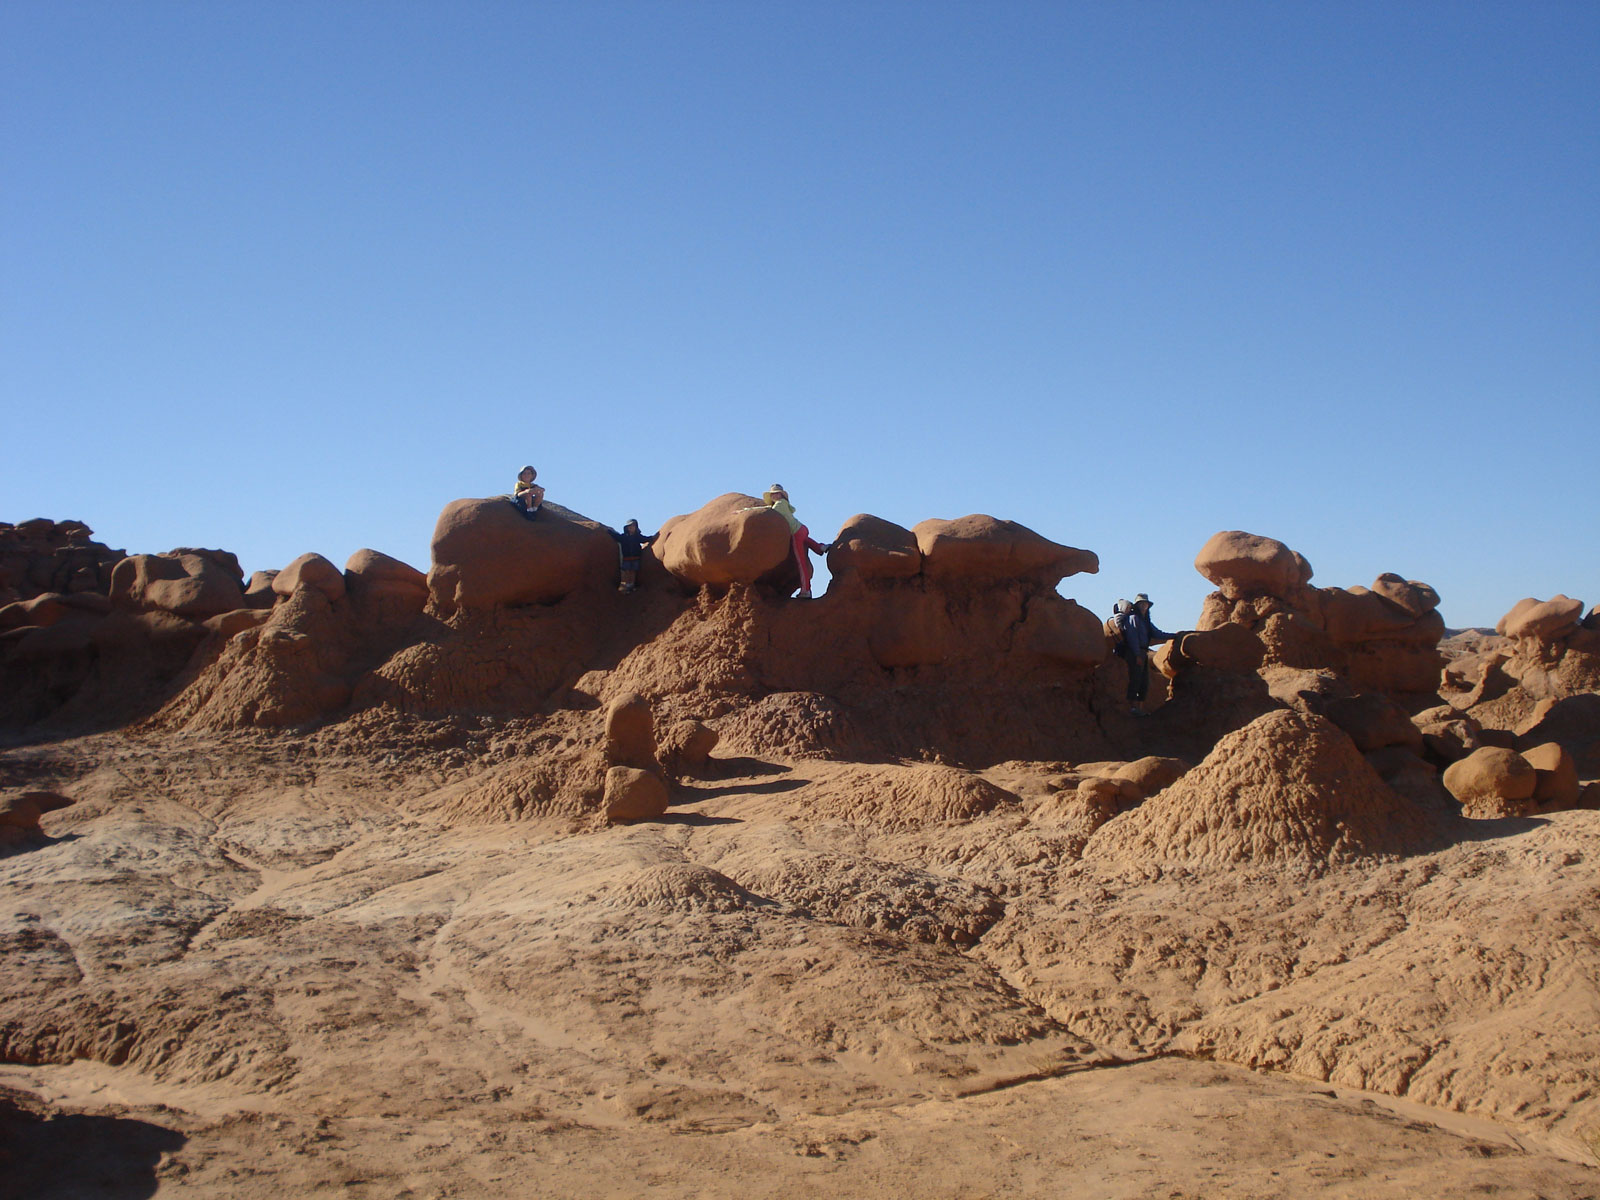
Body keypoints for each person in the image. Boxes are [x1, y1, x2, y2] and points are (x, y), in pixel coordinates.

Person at [762, 484, 831, 598]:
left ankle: (806, 591)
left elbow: (770, 513)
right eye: (773, 494)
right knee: (805, 541)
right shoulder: (783, 505)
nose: (774, 495)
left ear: (781, 495)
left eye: (777, 493)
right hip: (801, 529)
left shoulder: (780, 504)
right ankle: (820, 547)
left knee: (801, 562)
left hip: (796, 533)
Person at [1111, 592, 1174, 716]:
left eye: (1145, 604)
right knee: (1135, 679)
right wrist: (1137, 655)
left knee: (1144, 681)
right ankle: (1132, 708)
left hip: (1143, 651)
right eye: (1141, 604)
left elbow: (1157, 633)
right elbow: (1132, 637)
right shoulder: (1134, 618)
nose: (1143, 606)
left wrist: (1175, 636)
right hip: (1136, 652)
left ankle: (1140, 708)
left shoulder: (1145, 620)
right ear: (1137, 605)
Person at [609, 519, 657, 594]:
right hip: (626, 558)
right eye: (630, 527)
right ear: (627, 528)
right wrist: (610, 532)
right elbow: (617, 537)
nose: (631, 528)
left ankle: (632, 585)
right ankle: (627, 585)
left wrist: (652, 537)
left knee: (633, 571)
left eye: (633, 526)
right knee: (627, 571)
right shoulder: (624, 537)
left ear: (636, 527)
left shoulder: (637, 536)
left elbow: (644, 539)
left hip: (636, 557)